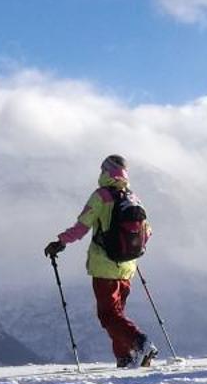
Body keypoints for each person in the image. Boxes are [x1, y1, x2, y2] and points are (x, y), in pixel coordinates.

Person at [44, 154, 156, 368]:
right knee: (117, 314)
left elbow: (81, 227)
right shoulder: (133, 197)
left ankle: (140, 342)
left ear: (106, 172)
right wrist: (131, 248)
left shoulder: (102, 196)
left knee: (107, 315)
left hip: (105, 265)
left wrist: (60, 242)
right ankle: (125, 359)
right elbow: (147, 231)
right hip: (128, 267)